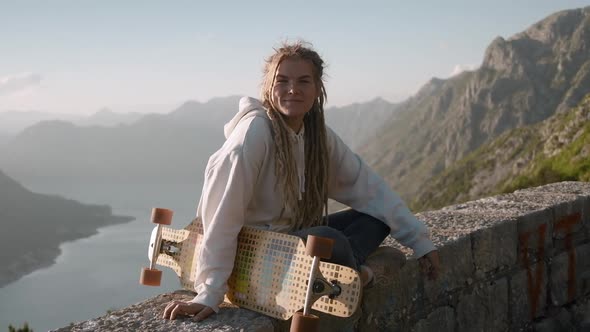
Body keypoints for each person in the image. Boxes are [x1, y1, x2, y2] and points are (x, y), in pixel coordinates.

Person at [163, 41, 441, 321]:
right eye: (282, 81)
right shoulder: (253, 134)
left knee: (375, 218)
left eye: (303, 81)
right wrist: (210, 291)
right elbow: (221, 215)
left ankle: (341, 277)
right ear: (268, 86)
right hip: (253, 248)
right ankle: (359, 276)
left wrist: (420, 241)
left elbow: (367, 186)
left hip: (294, 236)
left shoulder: (318, 136)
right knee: (329, 239)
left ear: (318, 88)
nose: (292, 89)